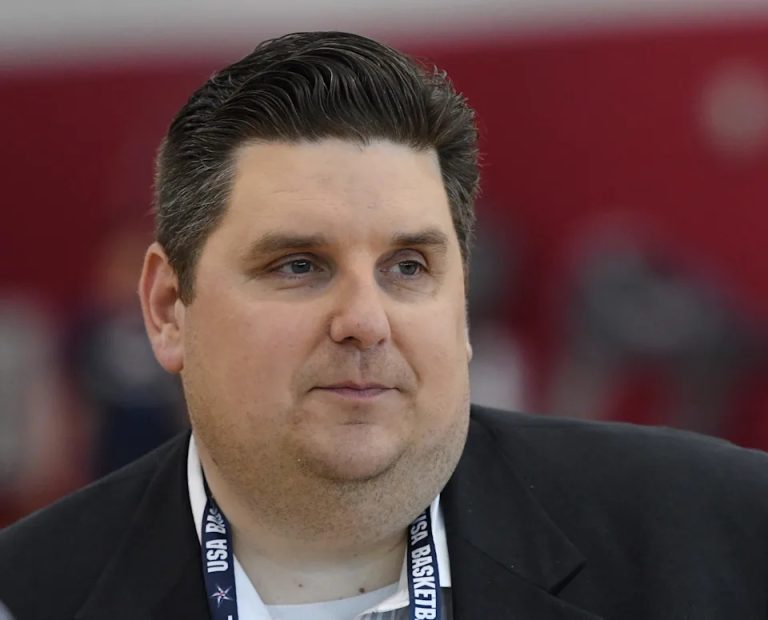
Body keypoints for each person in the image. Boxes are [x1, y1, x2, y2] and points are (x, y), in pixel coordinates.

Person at [1, 31, 767, 620]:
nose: (365, 321)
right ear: (168, 309)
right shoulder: (32, 594)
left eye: (408, 267)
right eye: (298, 264)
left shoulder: (721, 535)